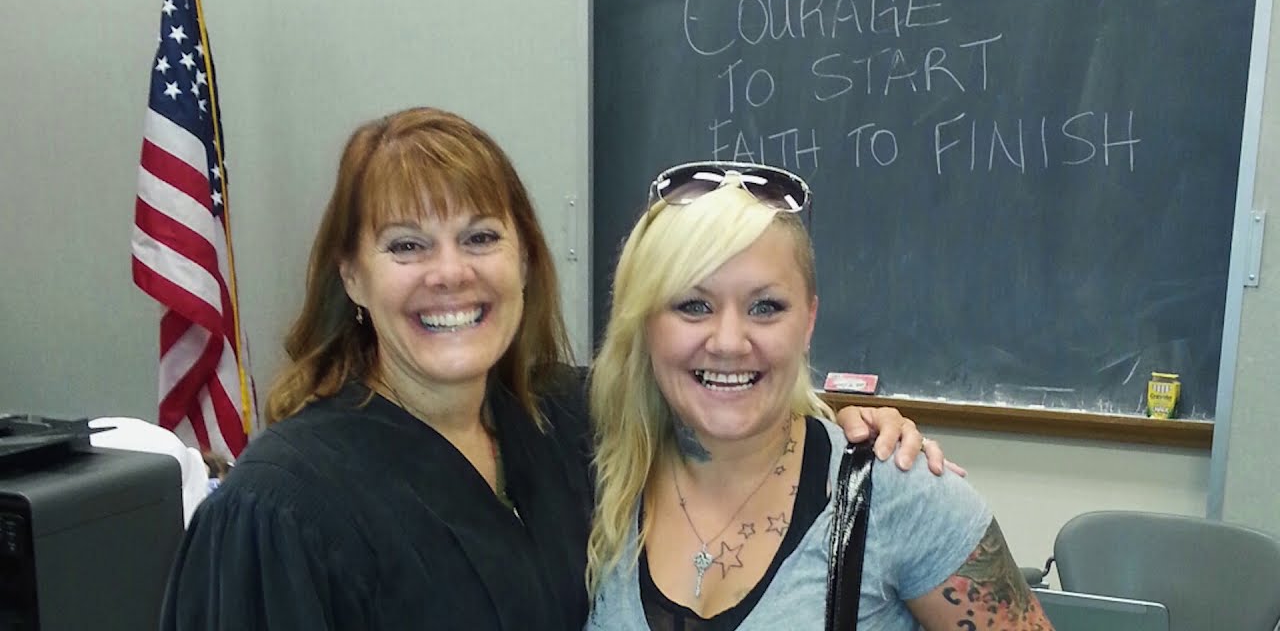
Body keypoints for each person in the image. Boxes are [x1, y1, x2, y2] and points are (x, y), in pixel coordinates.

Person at [159, 109, 948, 630]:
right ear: (352, 277)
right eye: (407, 246)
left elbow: (733, 399)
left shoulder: (572, 418)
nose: (450, 274)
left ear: (525, 260)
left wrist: (855, 427)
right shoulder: (280, 511)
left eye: (480, 237)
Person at [586, 163, 1054, 629]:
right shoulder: (596, 480)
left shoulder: (901, 496)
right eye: (693, 306)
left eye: (765, 307)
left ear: (808, 321)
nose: (729, 342)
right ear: (644, 321)